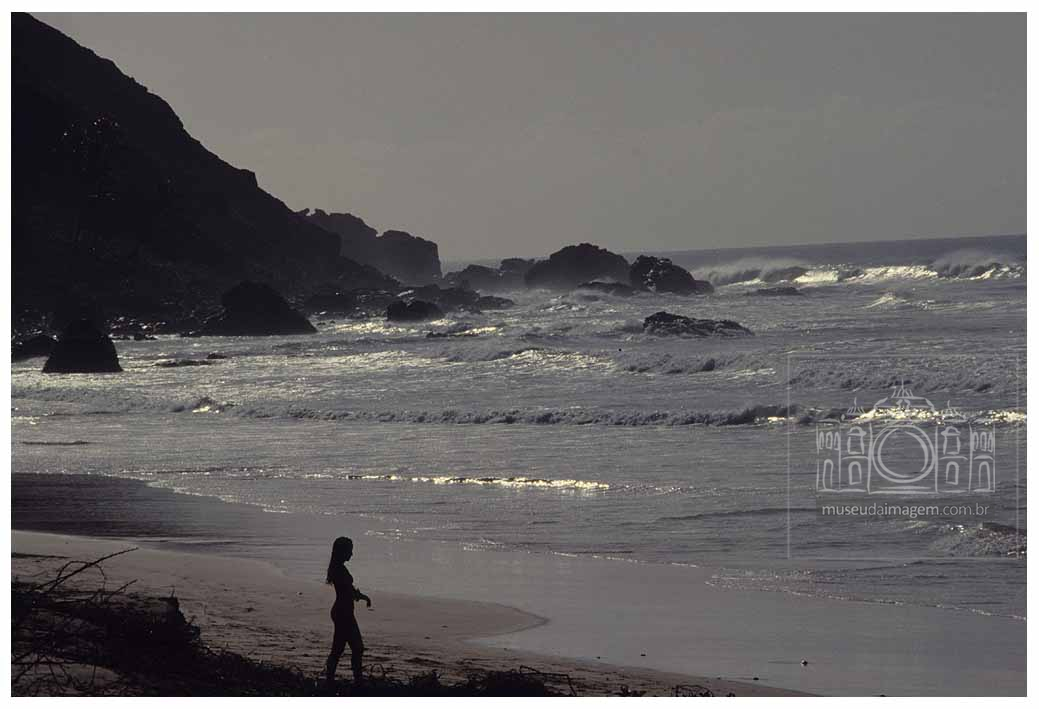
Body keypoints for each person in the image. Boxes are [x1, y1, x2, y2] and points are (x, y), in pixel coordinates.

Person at [325, 536, 371, 685]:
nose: (351, 554)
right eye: (349, 551)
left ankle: (332, 679)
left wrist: (363, 597)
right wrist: (362, 597)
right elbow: (349, 591)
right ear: (342, 552)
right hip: (343, 613)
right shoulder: (339, 570)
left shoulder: (338, 568)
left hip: (343, 612)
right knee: (356, 648)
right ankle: (357, 680)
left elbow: (350, 591)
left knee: (340, 648)